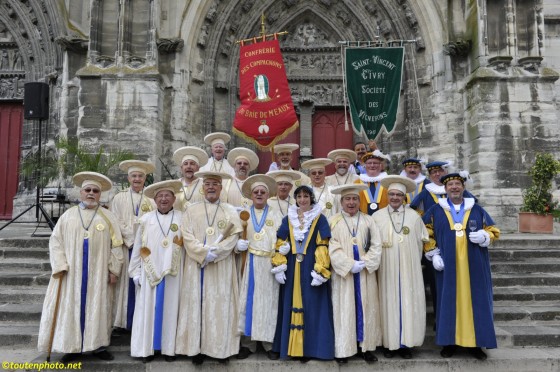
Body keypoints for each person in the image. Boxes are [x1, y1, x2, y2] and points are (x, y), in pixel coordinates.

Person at [38, 172, 123, 363]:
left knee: (98, 307)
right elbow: (55, 241)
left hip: (99, 273)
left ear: (100, 195)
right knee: (72, 307)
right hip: (71, 274)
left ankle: (98, 345)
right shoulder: (68, 216)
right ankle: (73, 346)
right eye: (88, 190)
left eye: (95, 191)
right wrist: (60, 265)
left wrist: (114, 269)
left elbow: (117, 245)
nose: (91, 193)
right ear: (81, 193)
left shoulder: (108, 217)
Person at [422, 173, 500, 360]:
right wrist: (433, 253)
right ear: (445, 189)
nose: (454, 187)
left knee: (477, 302)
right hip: (447, 266)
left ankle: (475, 344)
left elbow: (494, 230)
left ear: (463, 187)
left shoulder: (477, 209)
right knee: (448, 301)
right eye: (451, 185)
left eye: (458, 184)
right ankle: (449, 343)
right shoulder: (435, 210)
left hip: (475, 266)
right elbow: (425, 233)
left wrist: (485, 236)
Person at [175, 171, 242, 365]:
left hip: (221, 265)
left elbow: (233, 237)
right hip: (197, 265)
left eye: (215, 184)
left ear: (221, 188)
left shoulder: (229, 210)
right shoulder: (191, 210)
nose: (211, 187)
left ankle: (221, 349)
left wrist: (217, 252)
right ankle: (196, 349)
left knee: (221, 305)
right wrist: (203, 252)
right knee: (197, 304)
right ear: (203, 188)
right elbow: (186, 235)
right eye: (208, 184)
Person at [271, 185, 334, 361]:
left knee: (312, 306)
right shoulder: (288, 219)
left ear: (311, 198)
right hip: (292, 267)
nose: (302, 199)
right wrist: (280, 262)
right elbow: (280, 242)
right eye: (299, 196)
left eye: (306, 196)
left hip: (311, 267)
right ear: (296, 199)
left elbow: (323, 244)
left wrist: (320, 269)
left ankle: (310, 349)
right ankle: (290, 348)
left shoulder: (320, 219)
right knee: (290, 305)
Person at [373, 175, 428, 359]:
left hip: (409, 268)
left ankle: (406, 344)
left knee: (407, 302)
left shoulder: (414, 217)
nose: (395, 198)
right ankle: (390, 344)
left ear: (404, 197)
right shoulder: (377, 216)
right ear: (387, 196)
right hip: (385, 269)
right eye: (392, 194)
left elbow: (421, 244)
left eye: (398, 195)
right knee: (387, 303)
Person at [129, 180, 184, 363]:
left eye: (167, 195)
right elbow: (138, 246)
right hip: (149, 272)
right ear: (154, 199)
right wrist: (135, 272)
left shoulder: (182, 218)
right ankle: (146, 349)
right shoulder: (145, 220)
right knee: (147, 309)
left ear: (174, 198)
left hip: (173, 273)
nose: (163, 199)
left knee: (171, 308)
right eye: (160, 196)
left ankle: (169, 349)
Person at [328, 184, 382, 364]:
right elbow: (331, 246)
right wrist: (349, 264)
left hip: (365, 273)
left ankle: (365, 348)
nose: (351, 202)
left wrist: (365, 262)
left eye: (354, 199)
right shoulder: (333, 221)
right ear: (341, 201)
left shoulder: (368, 220)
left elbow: (376, 244)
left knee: (366, 308)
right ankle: (343, 349)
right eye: (347, 199)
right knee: (344, 309)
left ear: (360, 201)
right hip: (344, 275)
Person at [236, 174, 283, 360]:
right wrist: (237, 245)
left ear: (268, 194)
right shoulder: (242, 214)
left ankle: (269, 343)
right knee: (248, 303)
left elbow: (282, 237)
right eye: (256, 192)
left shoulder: (276, 214)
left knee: (268, 304)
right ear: (251, 195)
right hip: (248, 263)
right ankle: (248, 344)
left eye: (263, 192)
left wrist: (283, 249)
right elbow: (234, 235)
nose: (259, 194)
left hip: (269, 264)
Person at [110, 160, 156, 333]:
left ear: (145, 178)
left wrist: (141, 242)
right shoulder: (119, 197)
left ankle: (141, 321)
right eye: (134, 176)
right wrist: (132, 240)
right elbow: (115, 221)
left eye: (141, 176)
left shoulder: (151, 199)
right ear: (128, 178)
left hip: (145, 248)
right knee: (124, 286)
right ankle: (122, 322)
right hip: (126, 246)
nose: (137, 179)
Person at [172, 146, 209, 211]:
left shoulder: (205, 185)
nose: (189, 166)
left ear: (198, 167)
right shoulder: (175, 185)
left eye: (192, 164)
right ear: (181, 168)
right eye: (185, 164)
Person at [357, 150, 391, 215]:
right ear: (365, 166)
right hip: (363, 219)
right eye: (369, 163)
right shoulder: (357, 182)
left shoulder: (388, 181)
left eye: (375, 163)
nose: (372, 166)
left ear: (380, 166)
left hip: (385, 218)